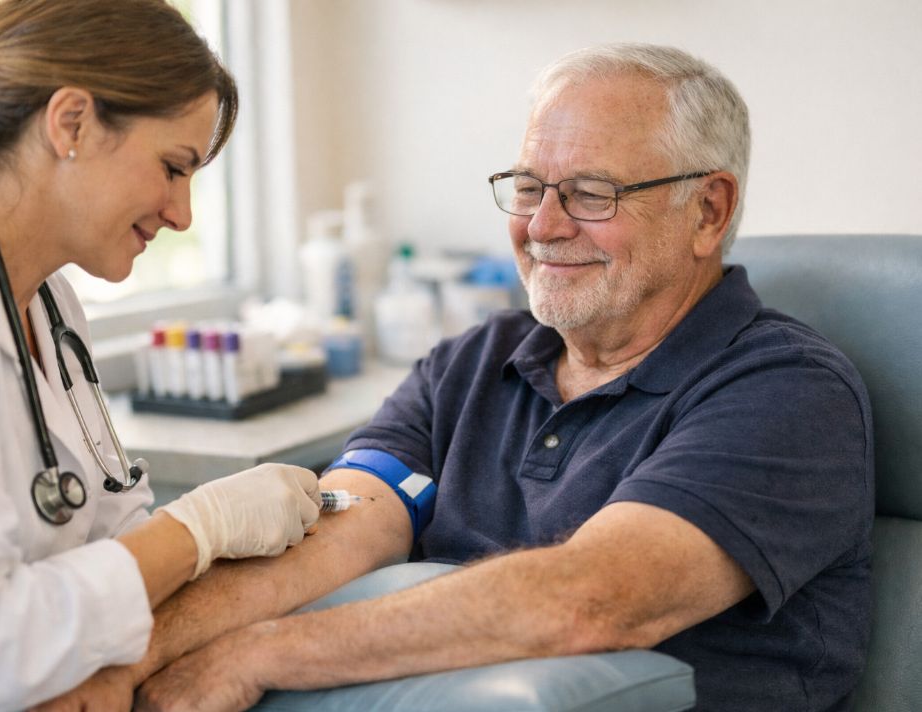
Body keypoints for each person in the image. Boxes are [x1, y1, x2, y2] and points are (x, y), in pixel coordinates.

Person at [43, 43, 874, 712]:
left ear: (708, 211)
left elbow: (592, 600)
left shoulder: (788, 392)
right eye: (527, 187)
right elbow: (348, 529)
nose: (541, 226)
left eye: (589, 193)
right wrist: (122, 661)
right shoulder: (476, 362)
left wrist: (257, 656)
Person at [0, 1, 325, 710]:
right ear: (70, 122)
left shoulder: (46, 300)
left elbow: (109, 520)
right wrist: (202, 528)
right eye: (172, 167)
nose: (182, 214)